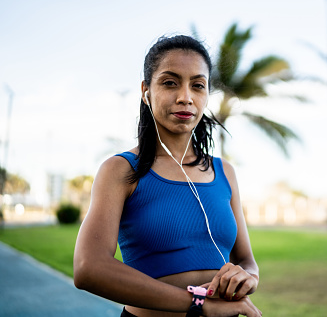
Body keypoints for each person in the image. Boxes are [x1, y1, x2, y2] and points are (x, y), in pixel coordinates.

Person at [74, 35, 262, 317]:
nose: (185, 97)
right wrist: (198, 305)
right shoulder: (121, 170)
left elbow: (246, 260)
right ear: (146, 90)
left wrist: (247, 276)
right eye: (170, 82)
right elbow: (89, 267)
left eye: (198, 85)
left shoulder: (225, 172)